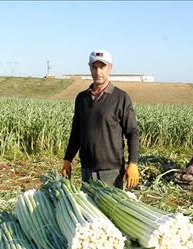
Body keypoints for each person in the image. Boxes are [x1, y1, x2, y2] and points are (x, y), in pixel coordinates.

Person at [60, 49, 140, 189]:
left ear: (110, 68)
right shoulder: (82, 98)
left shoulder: (120, 97)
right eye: (94, 67)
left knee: (109, 211)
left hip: (112, 172)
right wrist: (68, 159)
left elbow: (132, 132)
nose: (98, 72)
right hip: (87, 170)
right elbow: (76, 132)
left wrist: (133, 163)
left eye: (102, 67)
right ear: (89, 68)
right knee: (88, 209)